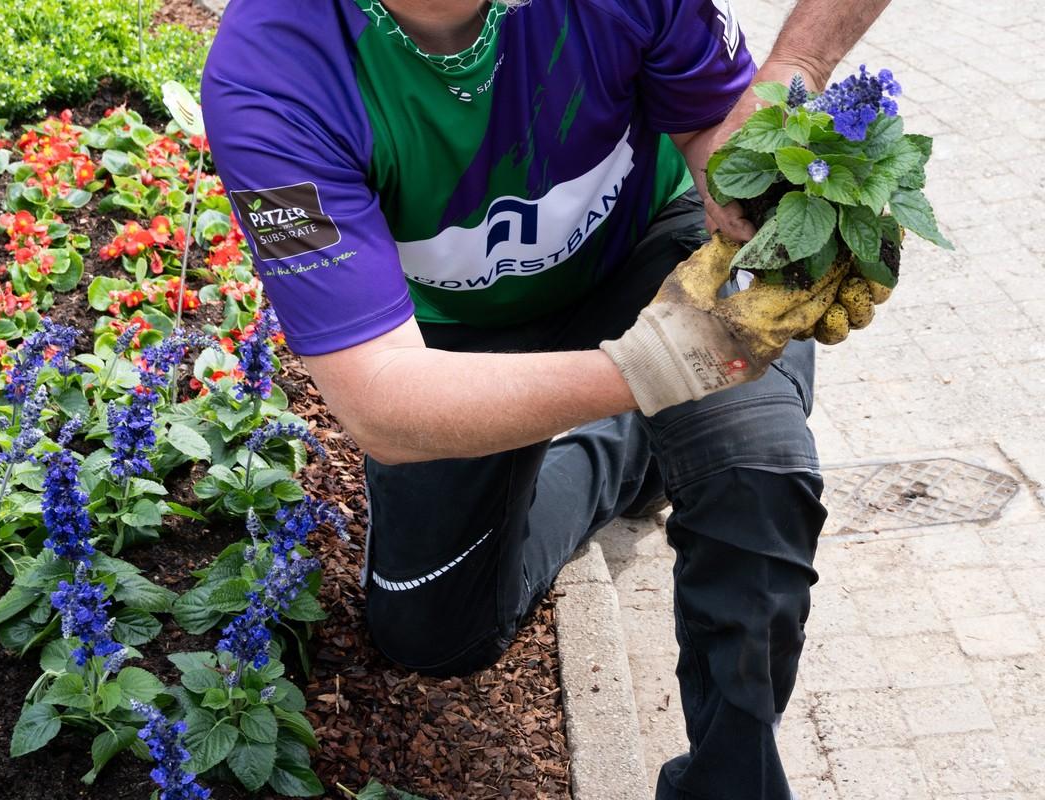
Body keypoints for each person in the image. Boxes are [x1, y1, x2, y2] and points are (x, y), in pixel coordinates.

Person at [203, 1, 890, 797]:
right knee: (430, 631)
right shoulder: (273, 75)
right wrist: (655, 372)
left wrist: (764, 187)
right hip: (447, 345)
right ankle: (627, 446)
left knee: (755, 468)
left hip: (647, 262)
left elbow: (709, 128)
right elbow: (380, 404)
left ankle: (730, 782)